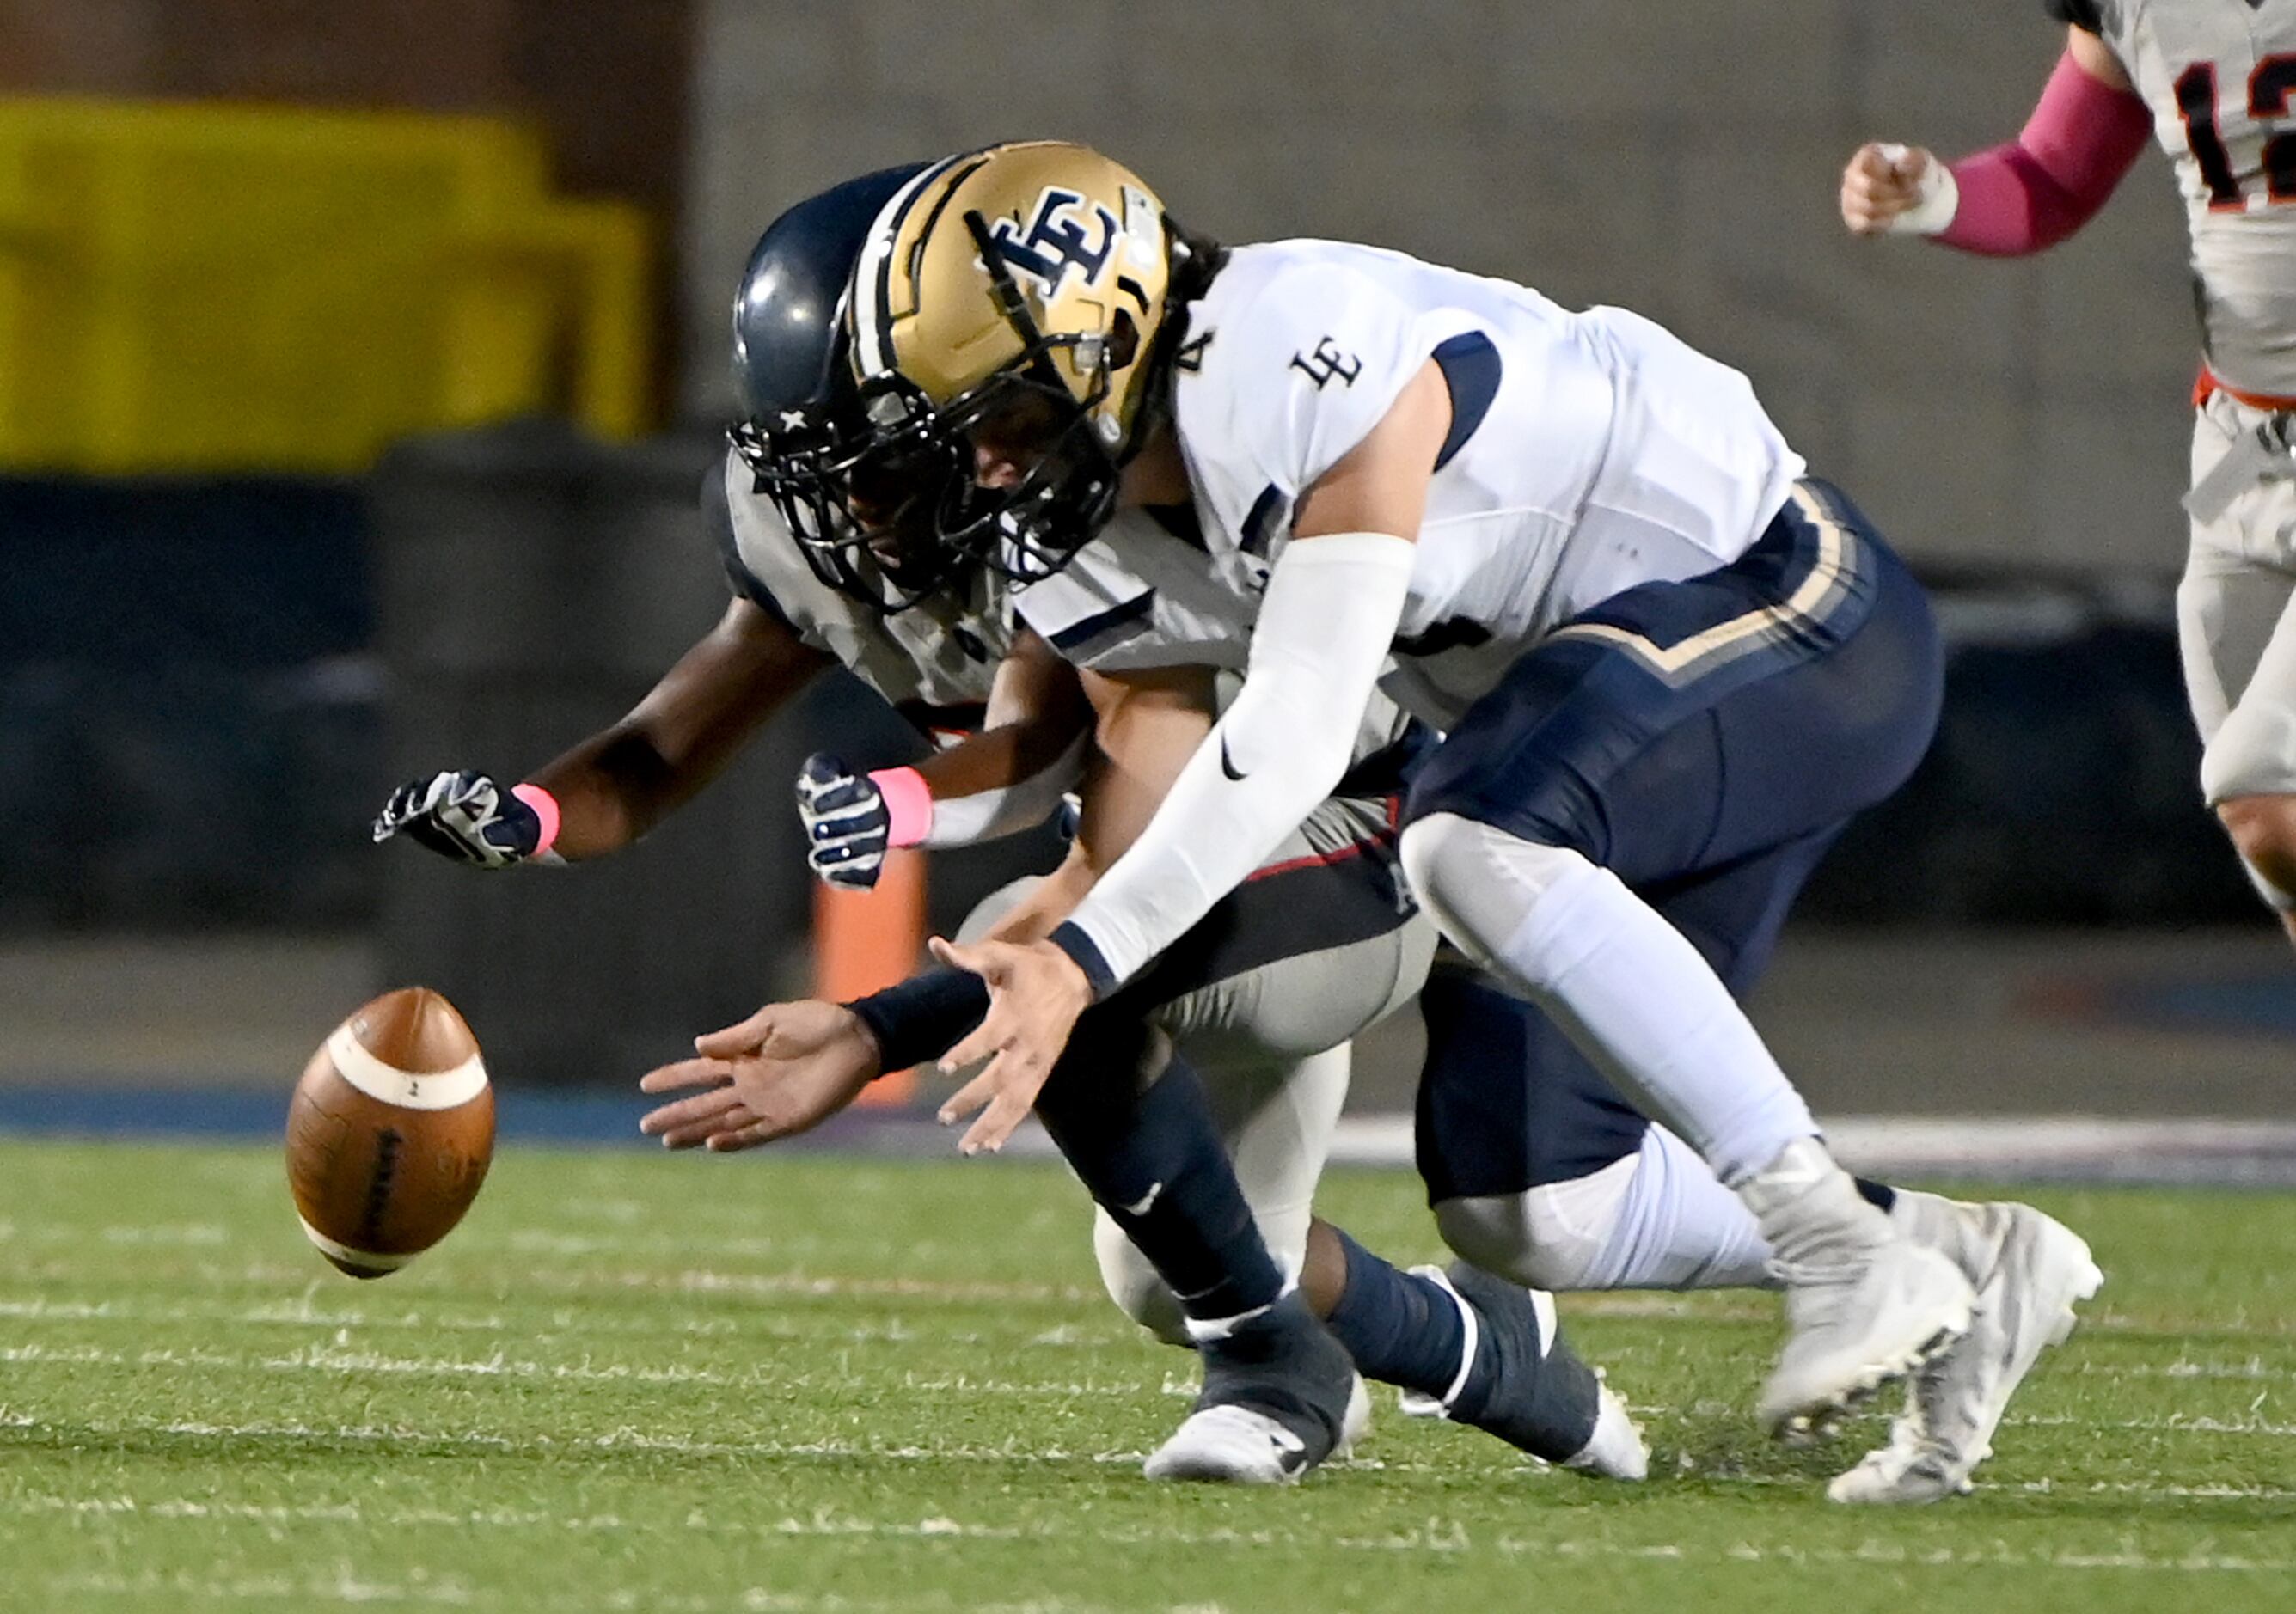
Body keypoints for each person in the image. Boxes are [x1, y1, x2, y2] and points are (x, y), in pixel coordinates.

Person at [816, 140, 2103, 1501]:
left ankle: (1833, 1242)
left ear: (1108, 339)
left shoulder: (1286, 352)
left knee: (1465, 839)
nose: (987, 465)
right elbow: (1140, 793)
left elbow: (1298, 720)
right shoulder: (1091, 524)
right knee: (1533, 1212)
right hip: (1582, 740)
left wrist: (1074, 958)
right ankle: (1967, 1254)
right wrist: (979, 969)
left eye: (1004, 414)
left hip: (1792, 612)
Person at [375, 165, 1645, 1488]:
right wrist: (525, 813)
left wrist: (875, 1017)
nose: (842, 503)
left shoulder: (1073, 497)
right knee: (1171, 1263)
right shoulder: (846, 519)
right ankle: (1476, 1346)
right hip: (1201, 878)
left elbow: (1102, 850)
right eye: (807, 458)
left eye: (868, 458)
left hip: (1350, 826)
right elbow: (658, 751)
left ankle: (1276, 1368)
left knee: (1035, 953)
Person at [1840, 3, 2296, 955]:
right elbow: (2052, 173)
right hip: (2238, 450)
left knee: (2266, 801)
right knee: (2274, 859)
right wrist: (1937, 198)